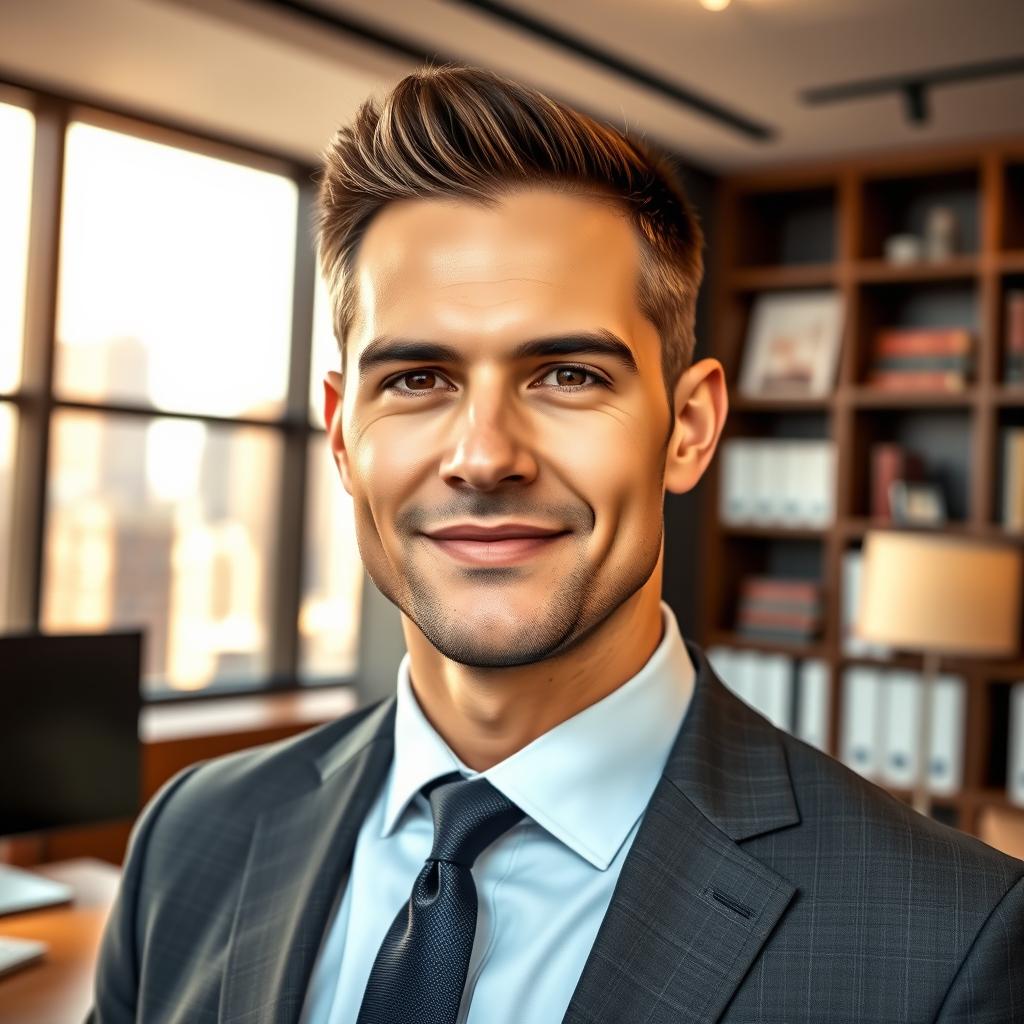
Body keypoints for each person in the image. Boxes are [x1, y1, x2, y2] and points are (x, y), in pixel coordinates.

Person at [88, 64, 1024, 1024]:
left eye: (569, 374)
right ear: (340, 435)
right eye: (416, 379)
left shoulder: (952, 939)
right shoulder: (192, 835)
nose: (484, 456)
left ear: (689, 427)